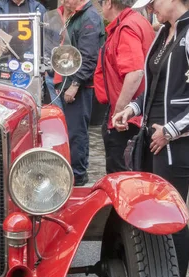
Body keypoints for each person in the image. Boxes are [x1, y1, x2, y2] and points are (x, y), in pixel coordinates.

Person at [112, 0, 189, 277]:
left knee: (172, 216)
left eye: (154, 2)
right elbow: (155, 87)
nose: (151, 8)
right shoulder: (163, 33)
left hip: (176, 142)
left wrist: (171, 131)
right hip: (153, 137)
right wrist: (131, 108)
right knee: (153, 214)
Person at [94, 0, 155, 173]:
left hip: (128, 119)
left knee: (121, 177)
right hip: (134, 113)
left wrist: (119, 112)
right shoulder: (135, 21)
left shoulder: (126, 27)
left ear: (108, 3)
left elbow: (135, 72)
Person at [57, 0, 105, 186]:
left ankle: (77, 176)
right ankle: (73, 172)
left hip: (78, 86)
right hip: (66, 81)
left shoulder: (89, 17)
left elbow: (88, 57)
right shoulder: (77, 15)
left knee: (76, 132)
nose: (63, 1)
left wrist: (75, 84)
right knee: (70, 131)